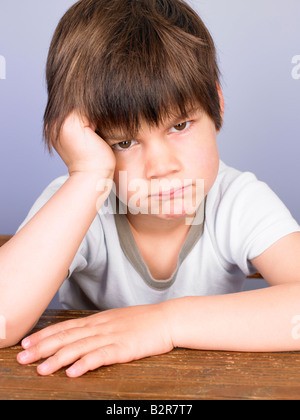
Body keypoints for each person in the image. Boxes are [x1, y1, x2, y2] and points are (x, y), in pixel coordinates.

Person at [0, 0, 299, 378]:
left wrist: (165, 323)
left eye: (180, 126)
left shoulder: (237, 200)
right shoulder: (80, 199)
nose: (161, 168)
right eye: (124, 143)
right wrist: (88, 173)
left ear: (217, 106)